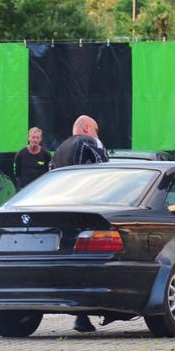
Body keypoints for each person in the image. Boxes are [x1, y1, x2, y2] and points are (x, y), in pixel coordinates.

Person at [51, 114, 108, 333]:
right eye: (96, 129)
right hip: (86, 212)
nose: (97, 134)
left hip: (61, 212)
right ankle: (92, 308)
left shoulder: (60, 149)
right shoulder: (90, 143)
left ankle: (80, 315)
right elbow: (105, 173)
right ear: (85, 128)